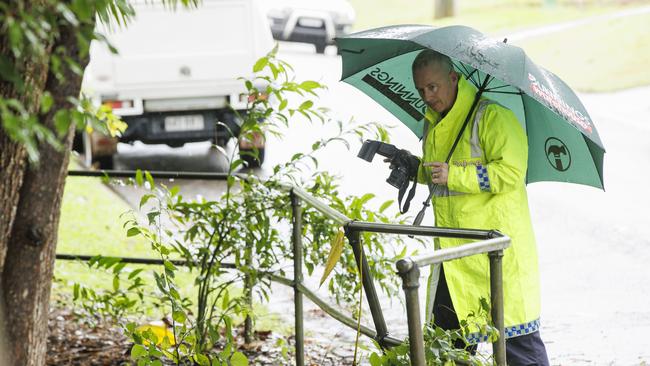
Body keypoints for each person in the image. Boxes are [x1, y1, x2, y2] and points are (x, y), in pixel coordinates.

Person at [411, 49, 550, 365]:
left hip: (496, 253)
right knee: (447, 351)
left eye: (432, 87)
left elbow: (512, 173)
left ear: (453, 78)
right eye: (421, 89)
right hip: (453, 257)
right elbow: (439, 176)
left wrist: (454, 175)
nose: (427, 96)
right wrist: (412, 168)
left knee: (518, 348)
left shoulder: (494, 117)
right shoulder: (432, 124)